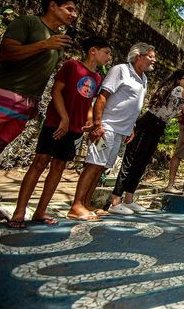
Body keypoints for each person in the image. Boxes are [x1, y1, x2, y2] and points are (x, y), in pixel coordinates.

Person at [7, 37, 112, 228]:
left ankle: (41, 210)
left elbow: (88, 102)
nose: (109, 57)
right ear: (93, 51)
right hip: (55, 123)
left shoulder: (97, 78)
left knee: (58, 166)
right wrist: (63, 117)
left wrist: (89, 120)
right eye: (106, 52)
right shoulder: (72, 66)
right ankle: (19, 211)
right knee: (39, 163)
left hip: (75, 130)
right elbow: (56, 91)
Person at [67, 42, 156, 221]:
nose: (154, 61)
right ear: (139, 56)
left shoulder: (143, 78)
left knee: (102, 167)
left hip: (121, 131)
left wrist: (130, 127)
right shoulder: (120, 70)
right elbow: (102, 96)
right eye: (151, 57)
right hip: (107, 126)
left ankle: (87, 203)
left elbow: (132, 105)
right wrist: (98, 124)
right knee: (94, 164)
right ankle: (76, 205)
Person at [108, 66, 184, 215]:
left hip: (158, 126)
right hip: (147, 124)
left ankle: (129, 199)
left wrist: (183, 112)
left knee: (142, 162)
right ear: (177, 80)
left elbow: (168, 114)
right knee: (131, 161)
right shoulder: (176, 90)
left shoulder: (176, 97)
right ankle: (115, 200)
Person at [0, 0, 78, 158]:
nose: (74, 15)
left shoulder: (58, 41)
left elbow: (43, 73)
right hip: (2, 93)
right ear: (52, 6)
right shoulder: (28, 23)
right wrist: (44, 45)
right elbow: (4, 53)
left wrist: (35, 102)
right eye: (69, 9)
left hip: (26, 104)